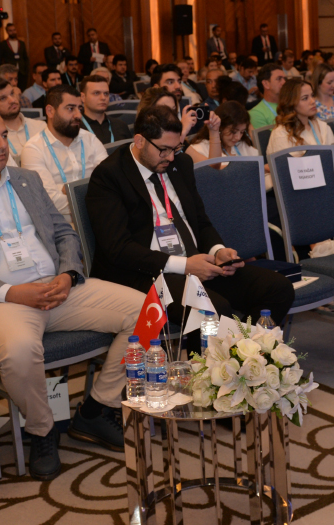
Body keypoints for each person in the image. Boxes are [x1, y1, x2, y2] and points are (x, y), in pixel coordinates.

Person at [0, 107, 144, 480]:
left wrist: (68, 274)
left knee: (147, 311)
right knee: (19, 350)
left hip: (57, 287)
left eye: (5, 136)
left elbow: (64, 233)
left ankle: (97, 408)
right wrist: (12, 293)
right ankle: (42, 429)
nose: (2, 145)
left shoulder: (26, 180)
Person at [85, 106, 293, 334]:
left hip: (194, 263)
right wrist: (184, 266)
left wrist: (218, 251)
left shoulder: (180, 164)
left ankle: (246, 350)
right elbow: (118, 249)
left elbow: (200, 221)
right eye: (163, 150)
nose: (170, 157)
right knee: (212, 310)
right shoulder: (109, 175)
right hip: (145, 272)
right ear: (140, 141)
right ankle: (224, 354)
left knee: (278, 288)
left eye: (175, 148)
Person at [21, 85, 108, 222]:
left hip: (101, 219)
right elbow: (49, 202)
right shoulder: (33, 149)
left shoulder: (90, 139)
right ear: (50, 111)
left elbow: (110, 184)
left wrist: (67, 191)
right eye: (70, 108)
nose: (78, 115)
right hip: (61, 225)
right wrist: (94, 196)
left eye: (80, 108)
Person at [266, 79, 334, 157]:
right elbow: (285, 164)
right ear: (291, 103)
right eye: (305, 98)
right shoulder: (281, 134)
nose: (313, 101)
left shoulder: (322, 126)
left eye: (312, 95)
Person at [186, 102, 259, 163]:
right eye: (233, 132)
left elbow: (258, 162)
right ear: (220, 126)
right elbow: (214, 170)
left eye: (242, 132)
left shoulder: (241, 144)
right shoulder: (200, 149)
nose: (238, 137)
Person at [78, 75, 132, 144]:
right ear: (83, 97)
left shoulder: (121, 126)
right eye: (96, 93)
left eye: (106, 93)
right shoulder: (74, 128)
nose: (103, 98)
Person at [247, 63, 286, 130]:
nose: (284, 82)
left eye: (284, 78)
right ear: (266, 84)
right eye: (279, 79)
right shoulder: (256, 113)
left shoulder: (292, 104)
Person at [0, 24, 30, 89]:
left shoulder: (21, 43)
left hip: (22, 71)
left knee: (22, 88)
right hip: (9, 72)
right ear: (7, 32)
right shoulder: (3, 44)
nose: (13, 32)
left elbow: (25, 57)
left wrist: (26, 69)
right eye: (10, 30)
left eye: (14, 30)